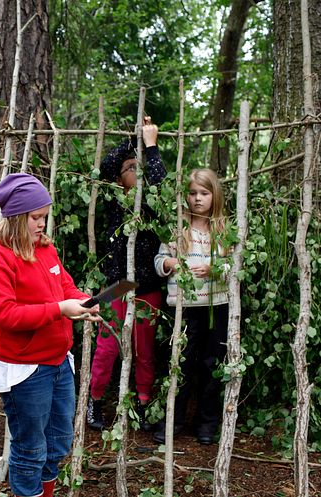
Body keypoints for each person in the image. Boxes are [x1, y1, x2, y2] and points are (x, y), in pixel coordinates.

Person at [0, 173, 101, 497]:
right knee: (30, 449)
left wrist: (82, 301)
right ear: (14, 217)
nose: (42, 224)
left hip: (57, 361)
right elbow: (6, 315)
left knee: (57, 444)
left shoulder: (43, 248)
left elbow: (64, 285)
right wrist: (60, 310)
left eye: (44, 217)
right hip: (26, 368)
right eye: (36, 218)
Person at [86, 117, 167, 432]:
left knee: (145, 352)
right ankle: (94, 403)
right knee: (107, 347)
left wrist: (151, 146)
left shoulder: (151, 204)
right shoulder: (114, 202)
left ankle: (144, 407)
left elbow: (161, 183)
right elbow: (105, 166)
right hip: (115, 286)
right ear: (120, 180)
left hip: (147, 286)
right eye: (131, 168)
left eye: (142, 167)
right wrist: (132, 141)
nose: (139, 171)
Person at [153, 167, 229, 445]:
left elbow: (236, 266)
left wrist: (215, 268)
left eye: (204, 193)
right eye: (193, 193)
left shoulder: (223, 229)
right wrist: (170, 262)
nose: (198, 199)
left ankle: (206, 424)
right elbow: (159, 260)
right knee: (179, 365)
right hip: (184, 307)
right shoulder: (178, 228)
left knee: (212, 365)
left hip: (216, 305)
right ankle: (172, 421)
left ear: (214, 196)